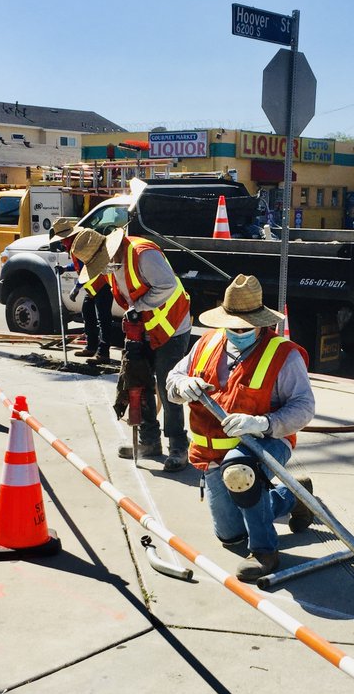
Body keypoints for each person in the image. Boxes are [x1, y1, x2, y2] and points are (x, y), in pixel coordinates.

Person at [166, 274, 316, 583]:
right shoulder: (207, 343)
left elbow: (304, 407)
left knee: (239, 471)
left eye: (245, 328)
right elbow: (172, 380)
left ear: (261, 323)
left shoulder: (283, 355)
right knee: (230, 534)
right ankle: (292, 495)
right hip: (212, 452)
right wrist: (183, 384)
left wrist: (264, 424)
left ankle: (264, 551)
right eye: (231, 326)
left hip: (267, 441)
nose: (237, 333)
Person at [81, 224, 191, 472]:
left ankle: (178, 447)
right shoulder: (112, 265)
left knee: (167, 387)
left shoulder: (143, 254)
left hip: (172, 328)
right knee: (139, 383)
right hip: (145, 329)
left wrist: (137, 308)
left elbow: (167, 286)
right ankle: (149, 442)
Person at [70, 228, 114, 365]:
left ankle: (103, 353)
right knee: (87, 314)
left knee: (103, 320)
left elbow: (85, 269)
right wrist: (65, 268)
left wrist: (77, 288)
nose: (63, 244)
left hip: (102, 286)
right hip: (92, 289)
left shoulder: (83, 248)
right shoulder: (75, 249)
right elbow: (77, 266)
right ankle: (91, 347)